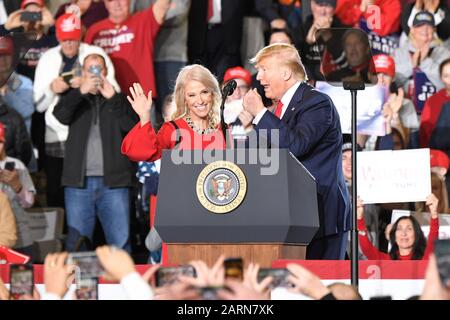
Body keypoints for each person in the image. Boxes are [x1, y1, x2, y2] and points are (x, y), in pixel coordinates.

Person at [241, 43, 351, 259]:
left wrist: (261, 114)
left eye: (264, 69)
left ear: (286, 72)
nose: (259, 78)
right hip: (291, 217)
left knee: (322, 288)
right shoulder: (280, 109)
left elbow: (295, 145)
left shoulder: (317, 102)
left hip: (322, 218)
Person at [53, 53, 138, 252]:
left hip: (115, 183)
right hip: (78, 185)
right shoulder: (74, 97)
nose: (94, 74)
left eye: (98, 68)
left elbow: (133, 126)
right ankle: (77, 284)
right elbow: (60, 116)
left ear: (106, 72)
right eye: (89, 69)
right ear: (82, 73)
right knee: (77, 244)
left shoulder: (118, 99)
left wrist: (114, 98)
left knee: (121, 243)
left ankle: (123, 282)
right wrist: (80, 91)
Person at [34, 12, 119, 208]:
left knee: (92, 188)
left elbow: (114, 91)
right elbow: (38, 105)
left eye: (73, 39)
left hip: (91, 132)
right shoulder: (48, 58)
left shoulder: (95, 54)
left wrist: (87, 84)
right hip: (57, 134)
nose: (69, 45)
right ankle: (64, 237)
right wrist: (52, 89)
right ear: (57, 37)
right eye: (65, 40)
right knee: (57, 190)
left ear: (81, 34)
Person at [121, 64, 226, 163]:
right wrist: (144, 116)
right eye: (192, 95)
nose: (200, 100)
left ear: (212, 94)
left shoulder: (223, 128)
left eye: (204, 92)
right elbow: (144, 154)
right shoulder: (173, 129)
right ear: (184, 98)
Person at [84, 0, 170, 95]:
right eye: (111, 0)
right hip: (106, 97)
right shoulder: (94, 30)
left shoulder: (143, 20)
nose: (117, 3)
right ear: (105, 3)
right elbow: (83, 63)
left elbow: (163, 4)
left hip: (141, 97)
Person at [357, 193, 440, 260]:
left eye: (409, 229)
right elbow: (367, 249)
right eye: (399, 229)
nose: (404, 233)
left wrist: (434, 214)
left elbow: (433, 237)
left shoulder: (425, 260)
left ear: (416, 234)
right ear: (394, 235)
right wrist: (360, 218)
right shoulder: (385, 261)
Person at [0, 122, 36, 260]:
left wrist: (17, 185)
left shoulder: (18, 166)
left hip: (22, 238)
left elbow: (29, 202)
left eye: (0, 141)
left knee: (22, 280)